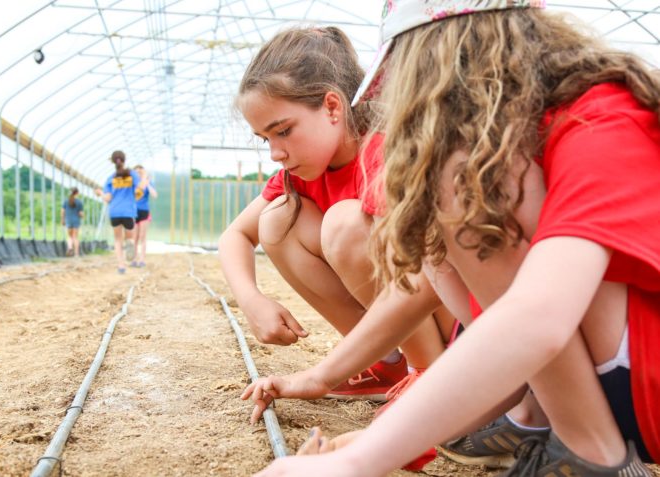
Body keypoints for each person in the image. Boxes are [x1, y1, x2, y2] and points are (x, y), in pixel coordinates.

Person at [249, 1, 660, 476]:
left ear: (450, 56)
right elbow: (466, 318)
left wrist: (359, 462)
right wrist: (379, 432)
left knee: (460, 178)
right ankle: (535, 421)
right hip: (604, 380)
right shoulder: (509, 148)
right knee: (448, 196)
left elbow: (537, 318)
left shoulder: (599, 117)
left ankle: (591, 453)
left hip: (643, 380)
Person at [219, 26, 457, 428]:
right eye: (265, 140)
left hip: (457, 321)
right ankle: (387, 364)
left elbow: (426, 279)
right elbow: (235, 236)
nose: (276, 152)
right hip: (409, 310)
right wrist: (252, 299)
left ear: (332, 107)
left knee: (344, 224)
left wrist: (321, 374)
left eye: (283, 130)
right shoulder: (304, 171)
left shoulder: (386, 150)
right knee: (277, 219)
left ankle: (431, 378)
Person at [96, 150, 145, 274]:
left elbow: (107, 198)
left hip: (115, 212)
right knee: (130, 238)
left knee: (118, 240)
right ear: (124, 160)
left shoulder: (110, 178)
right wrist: (143, 177)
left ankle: (121, 266)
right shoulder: (132, 175)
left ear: (113, 161)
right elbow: (140, 189)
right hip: (128, 211)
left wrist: (100, 193)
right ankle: (130, 246)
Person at [131, 165, 157, 267]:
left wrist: (147, 183)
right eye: (136, 171)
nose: (138, 173)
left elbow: (154, 195)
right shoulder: (133, 183)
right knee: (135, 237)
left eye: (140, 171)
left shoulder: (148, 182)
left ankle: (142, 260)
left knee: (142, 236)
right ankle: (134, 259)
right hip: (134, 212)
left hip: (144, 211)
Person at [61, 187, 84, 257]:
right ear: (77, 193)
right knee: (75, 237)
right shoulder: (79, 202)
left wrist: (62, 220)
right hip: (76, 221)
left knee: (70, 236)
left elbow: (62, 211)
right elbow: (81, 214)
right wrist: (82, 216)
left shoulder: (65, 201)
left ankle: (70, 248)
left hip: (68, 220)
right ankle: (76, 254)